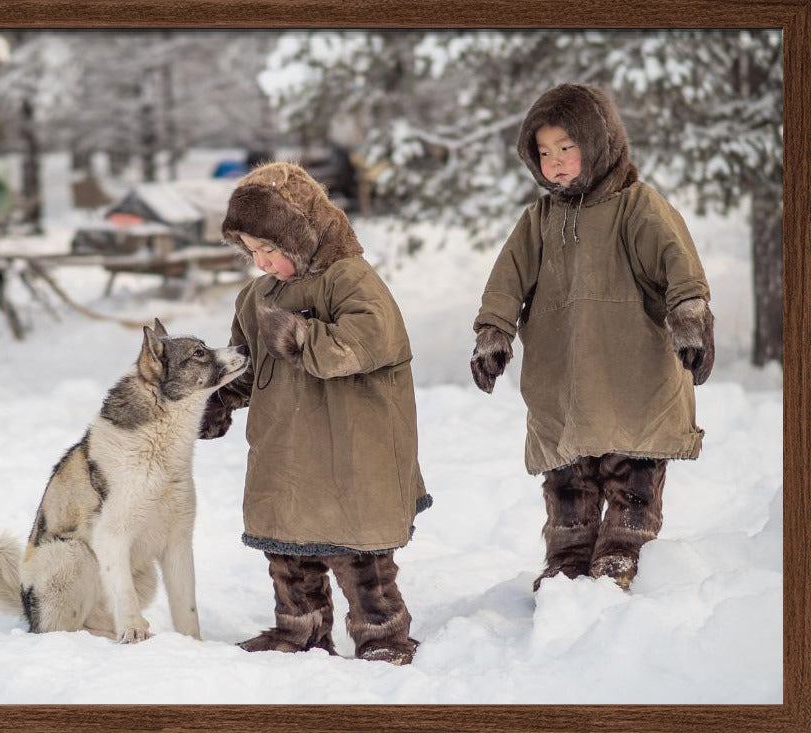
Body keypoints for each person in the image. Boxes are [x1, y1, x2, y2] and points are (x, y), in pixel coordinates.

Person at [469, 83, 715, 591]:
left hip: (631, 376)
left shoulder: (637, 206)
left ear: (599, 143)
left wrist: (690, 316)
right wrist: (493, 331)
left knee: (632, 474)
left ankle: (624, 547)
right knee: (568, 479)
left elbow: (678, 264)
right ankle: (568, 556)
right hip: (563, 380)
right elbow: (506, 282)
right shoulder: (538, 221)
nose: (555, 162)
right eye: (544, 152)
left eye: (567, 147)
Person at [201, 161, 431, 665]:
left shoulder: (350, 278)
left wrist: (303, 337)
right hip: (284, 447)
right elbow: (247, 363)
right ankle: (299, 629)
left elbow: (372, 339)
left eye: (270, 248)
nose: (261, 262)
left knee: (359, 554)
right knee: (287, 549)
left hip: (350, 446)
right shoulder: (255, 296)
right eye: (251, 251)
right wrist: (217, 398)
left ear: (300, 235)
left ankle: (383, 633)